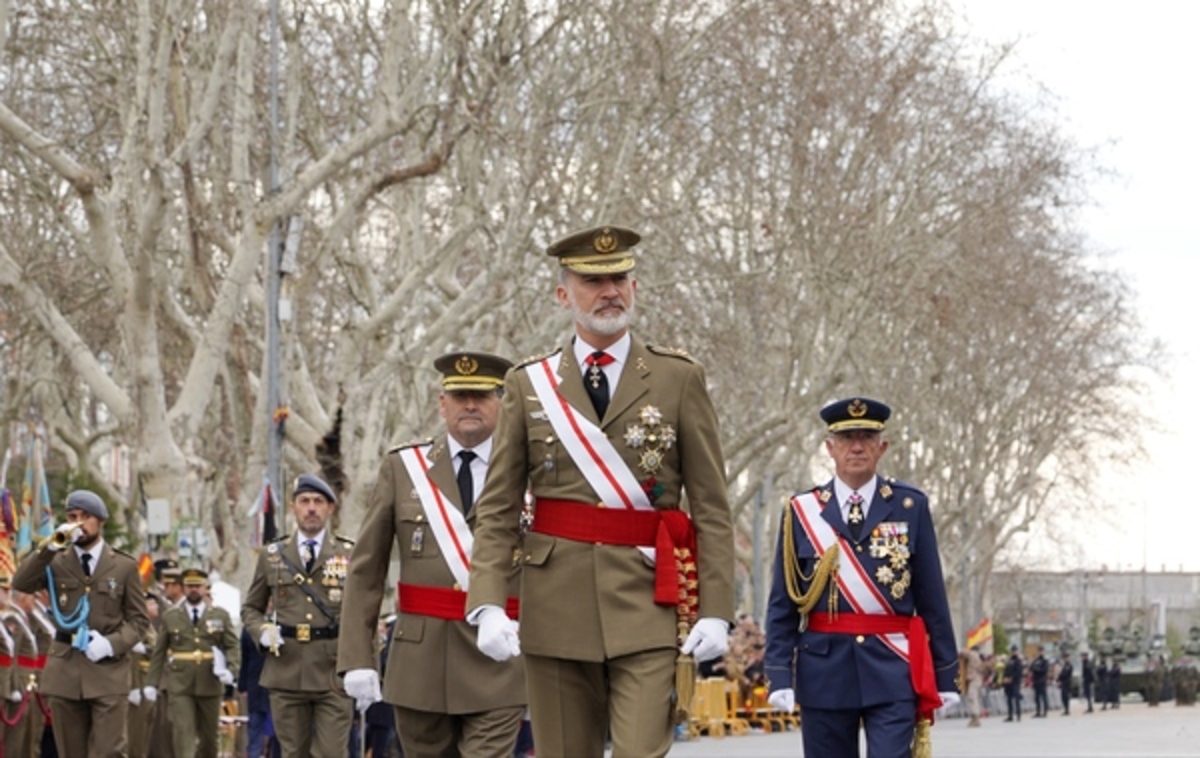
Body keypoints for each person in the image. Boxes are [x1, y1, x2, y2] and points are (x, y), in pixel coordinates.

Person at [464, 225, 736, 758]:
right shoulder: (527, 384)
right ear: (564, 294)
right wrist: (488, 605)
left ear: (635, 287)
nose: (610, 290)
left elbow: (711, 506)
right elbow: (496, 510)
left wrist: (716, 608)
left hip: (648, 604)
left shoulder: (677, 378)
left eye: (619, 278)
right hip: (554, 604)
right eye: (593, 281)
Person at [338, 350, 528, 758]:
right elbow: (365, 571)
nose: (471, 405)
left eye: (483, 396)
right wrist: (357, 656)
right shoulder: (403, 468)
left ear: (503, 402)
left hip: (499, 660)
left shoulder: (528, 469)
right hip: (421, 663)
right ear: (443, 404)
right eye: (460, 396)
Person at [764, 397, 960, 757]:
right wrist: (777, 671)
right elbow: (783, 603)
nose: (856, 446)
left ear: (881, 447)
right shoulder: (801, 511)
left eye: (866, 437)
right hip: (823, 668)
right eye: (847, 437)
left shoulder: (910, 506)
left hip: (892, 666)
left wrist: (946, 672)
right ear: (830, 447)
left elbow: (932, 598)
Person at [11, 489, 150, 757]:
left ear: (101, 521)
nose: (78, 523)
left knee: (109, 751)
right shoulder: (56, 561)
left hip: (108, 671)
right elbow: (21, 583)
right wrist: (49, 547)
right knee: (70, 752)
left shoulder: (123, 566)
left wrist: (111, 645)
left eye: (85, 517)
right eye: (72, 516)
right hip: (66, 670)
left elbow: (139, 620)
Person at [242, 473, 355, 758]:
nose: (311, 508)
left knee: (332, 753)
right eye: (304, 501)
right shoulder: (272, 556)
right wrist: (262, 631)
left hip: (333, 671)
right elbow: (251, 608)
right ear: (293, 507)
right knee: (293, 753)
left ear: (331, 508)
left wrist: (365, 668)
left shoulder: (349, 554)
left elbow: (364, 614)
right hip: (287, 670)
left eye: (319, 501)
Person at [146, 567, 239, 758]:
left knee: (209, 739)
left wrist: (232, 670)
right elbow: (159, 652)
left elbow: (232, 645)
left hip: (210, 683)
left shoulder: (219, 615)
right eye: (189, 586)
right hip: (181, 684)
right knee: (183, 734)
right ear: (183, 588)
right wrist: (151, 683)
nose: (193, 590)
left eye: (197, 586)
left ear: (205, 588)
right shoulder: (171, 616)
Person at [126, 591, 159, 758]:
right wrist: (133, 687)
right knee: (135, 735)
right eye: (150, 603)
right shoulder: (133, 625)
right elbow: (131, 657)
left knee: (146, 732)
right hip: (137, 685)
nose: (155, 606)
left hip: (148, 684)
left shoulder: (149, 626)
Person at [963, 645, 986, 727]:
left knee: (972, 697)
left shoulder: (973, 654)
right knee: (974, 698)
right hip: (976, 679)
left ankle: (975, 716)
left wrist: (965, 648)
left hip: (974, 679)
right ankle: (975, 716)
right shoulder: (978, 656)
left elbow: (963, 653)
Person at [1003, 646, 1023, 722]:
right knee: (1009, 700)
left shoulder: (1018, 661)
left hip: (1015, 682)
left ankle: (1018, 715)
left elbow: (1018, 672)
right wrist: (1005, 678)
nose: (1013, 652)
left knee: (1016, 699)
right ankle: (1010, 715)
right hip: (1008, 683)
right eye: (1012, 651)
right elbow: (1006, 670)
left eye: (1014, 651)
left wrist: (1011, 678)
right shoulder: (1009, 661)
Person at [1030, 646, 1049, 717]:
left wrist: (1036, 669)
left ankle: (1045, 711)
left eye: (1041, 651)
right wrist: (1035, 666)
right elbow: (1031, 667)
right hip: (1036, 680)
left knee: (1044, 697)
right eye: (1039, 651)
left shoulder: (1045, 660)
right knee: (1036, 697)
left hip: (1042, 680)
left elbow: (1044, 670)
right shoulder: (1036, 660)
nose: (1040, 652)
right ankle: (1038, 711)